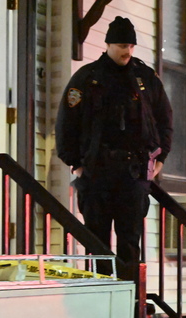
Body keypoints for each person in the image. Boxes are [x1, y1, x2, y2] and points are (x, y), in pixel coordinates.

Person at [56, 16, 173, 281]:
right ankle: (100, 300)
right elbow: (67, 124)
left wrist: (161, 157)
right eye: (122, 44)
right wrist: (76, 162)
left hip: (133, 173)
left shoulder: (145, 78)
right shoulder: (86, 78)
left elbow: (165, 119)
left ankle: (130, 304)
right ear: (108, 44)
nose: (127, 51)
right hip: (96, 171)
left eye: (131, 45)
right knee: (96, 243)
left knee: (130, 243)